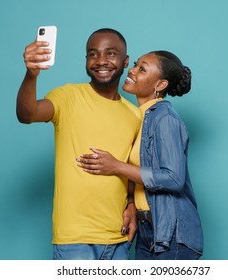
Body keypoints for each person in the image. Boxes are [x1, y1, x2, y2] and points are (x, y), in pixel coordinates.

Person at [16, 28, 141, 260]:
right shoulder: (68, 96)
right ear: (86, 61)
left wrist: (132, 204)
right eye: (93, 54)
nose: (101, 60)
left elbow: (131, 167)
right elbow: (27, 114)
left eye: (111, 54)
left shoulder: (135, 115)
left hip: (119, 239)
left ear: (125, 62)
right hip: (74, 240)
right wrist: (31, 75)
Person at [76, 50, 204, 259]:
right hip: (146, 231)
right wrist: (131, 205)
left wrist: (116, 166)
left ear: (160, 85)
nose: (132, 71)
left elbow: (173, 178)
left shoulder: (165, 119)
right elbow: (140, 173)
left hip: (172, 236)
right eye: (135, 65)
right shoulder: (138, 117)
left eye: (142, 69)